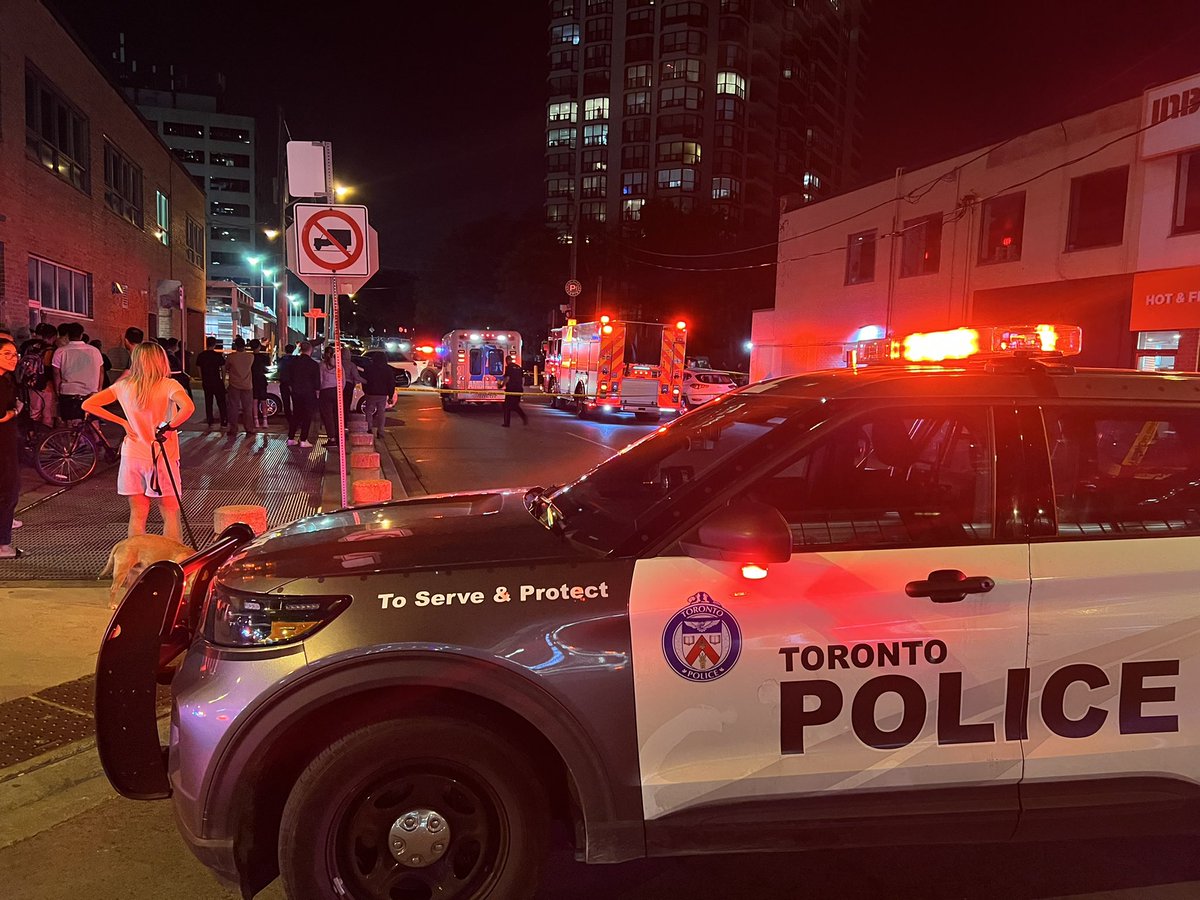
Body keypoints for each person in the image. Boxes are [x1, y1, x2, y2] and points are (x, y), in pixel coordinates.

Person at [83, 342, 195, 543]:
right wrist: (168, 427)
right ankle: (171, 562)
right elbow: (188, 407)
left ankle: (135, 562)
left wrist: (123, 422)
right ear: (161, 360)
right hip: (162, 457)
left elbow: (88, 404)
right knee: (170, 512)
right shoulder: (169, 384)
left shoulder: (123, 385)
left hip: (132, 456)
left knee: (138, 513)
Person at [52, 321, 104, 422]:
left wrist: (57, 390)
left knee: (70, 423)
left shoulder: (60, 351)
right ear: (81, 334)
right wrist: (99, 388)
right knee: (93, 422)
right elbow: (101, 371)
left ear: (68, 335)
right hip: (91, 392)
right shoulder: (94, 351)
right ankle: (97, 437)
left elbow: (56, 373)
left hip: (68, 392)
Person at [0, 339, 23, 559]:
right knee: (9, 491)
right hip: (3, 448)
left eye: (15, 354)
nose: (13, 358)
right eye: (7, 354)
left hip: (7, 444)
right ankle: (3, 545)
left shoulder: (7, 379)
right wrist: (16, 411)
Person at [17, 323, 58, 425]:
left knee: (34, 412)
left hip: (30, 383)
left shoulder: (27, 346)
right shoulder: (51, 349)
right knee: (47, 413)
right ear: (53, 336)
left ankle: (32, 435)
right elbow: (50, 369)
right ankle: (46, 438)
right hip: (47, 385)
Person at [287, 341, 320, 448]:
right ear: (310, 350)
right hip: (308, 393)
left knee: (296, 415)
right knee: (307, 416)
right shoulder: (314, 364)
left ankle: (291, 438)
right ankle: (303, 439)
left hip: (296, 392)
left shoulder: (293, 362)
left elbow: (288, 378)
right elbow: (317, 383)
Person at [224, 336, 256, 436]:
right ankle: (249, 428)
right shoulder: (250, 357)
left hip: (234, 384)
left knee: (233, 407)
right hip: (247, 385)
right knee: (247, 408)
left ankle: (233, 428)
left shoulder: (231, 357)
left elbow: (226, 368)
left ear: (235, 346)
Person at [360, 351, 396, 439]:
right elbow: (391, 383)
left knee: (369, 411)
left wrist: (366, 391)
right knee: (381, 413)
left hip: (371, 393)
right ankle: (380, 432)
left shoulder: (369, 368)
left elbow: (364, 381)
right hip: (382, 394)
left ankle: (369, 428)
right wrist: (390, 395)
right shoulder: (388, 369)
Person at [195, 337, 228, 427]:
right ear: (214, 344)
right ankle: (223, 421)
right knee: (221, 402)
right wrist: (223, 380)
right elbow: (223, 369)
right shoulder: (218, 356)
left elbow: (199, 369)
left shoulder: (201, 355)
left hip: (207, 381)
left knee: (208, 401)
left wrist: (202, 378)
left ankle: (210, 421)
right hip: (217, 380)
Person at [249, 339, 270, 428]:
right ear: (259, 346)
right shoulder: (264, 357)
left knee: (254, 401)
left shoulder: (249, 357)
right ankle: (265, 421)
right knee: (263, 401)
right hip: (261, 380)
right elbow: (267, 367)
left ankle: (256, 421)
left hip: (252, 380)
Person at [500, 358, 527, 427]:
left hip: (511, 389)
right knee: (515, 405)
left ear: (507, 361)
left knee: (506, 407)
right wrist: (521, 387)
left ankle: (507, 423)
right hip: (519, 389)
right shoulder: (519, 367)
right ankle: (524, 417)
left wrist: (501, 385)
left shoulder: (509, 367)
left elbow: (507, 378)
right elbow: (523, 379)